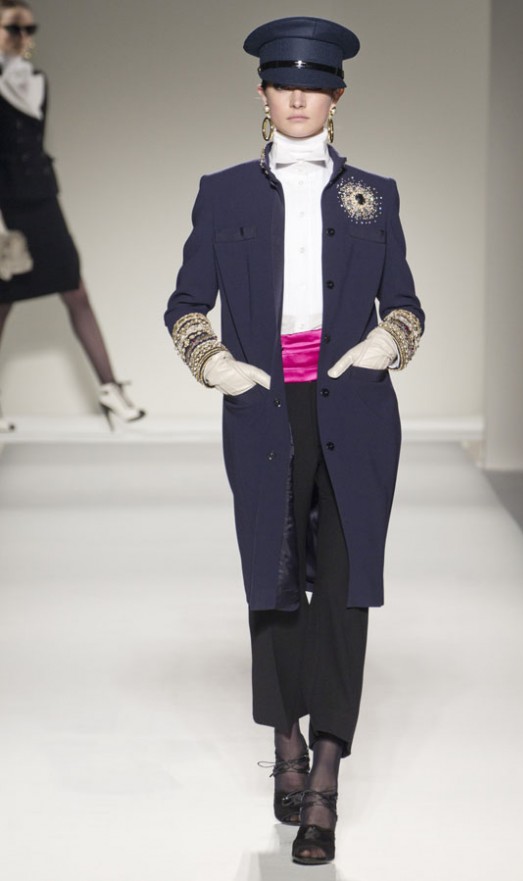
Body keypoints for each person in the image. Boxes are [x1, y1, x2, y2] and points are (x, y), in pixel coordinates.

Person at [165, 16, 424, 866]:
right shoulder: (224, 192)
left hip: (355, 408)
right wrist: (215, 365)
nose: (300, 97)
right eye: (286, 84)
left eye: (315, 85)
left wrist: (388, 341)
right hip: (265, 408)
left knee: (345, 587)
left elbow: (406, 301)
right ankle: (284, 741)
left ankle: (325, 778)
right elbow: (184, 302)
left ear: (337, 96)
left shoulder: (376, 193)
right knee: (273, 577)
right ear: (264, 92)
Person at [0, 0, 144, 432]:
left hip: (43, 200)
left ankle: (110, 389)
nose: (23, 37)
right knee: (2, 300)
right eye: (13, 28)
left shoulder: (36, 80)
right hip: (7, 207)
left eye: (29, 29)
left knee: (75, 290)